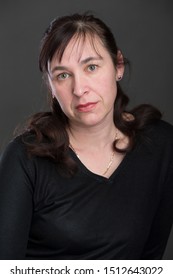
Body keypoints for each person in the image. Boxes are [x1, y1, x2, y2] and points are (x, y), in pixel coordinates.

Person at [0, 12, 173, 260]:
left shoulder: (162, 145)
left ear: (118, 66)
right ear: (51, 85)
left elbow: (150, 265)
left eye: (91, 67)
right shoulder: (24, 159)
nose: (79, 89)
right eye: (63, 75)